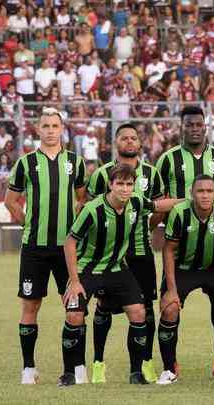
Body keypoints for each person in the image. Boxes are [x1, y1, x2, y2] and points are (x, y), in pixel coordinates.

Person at [58, 163, 180, 387]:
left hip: (117, 268)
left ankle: (135, 373)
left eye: (129, 184)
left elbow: (157, 204)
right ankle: (68, 373)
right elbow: (70, 242)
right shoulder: (92, 209)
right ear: (110, 185)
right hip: (88, 269)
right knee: (74, 316)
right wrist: (74, 281)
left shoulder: (135, 202)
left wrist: (187, 201)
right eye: (120, 184)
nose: (125, 189)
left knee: (138, 312)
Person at [4, 108, 87, 385]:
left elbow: (82, 200)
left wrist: (75, 229)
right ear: (37, 130)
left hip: (67, 249)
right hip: (35, 249)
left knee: (75, 308)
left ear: (62, 129)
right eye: (46, 126)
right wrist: (28, 224)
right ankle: (28, 368)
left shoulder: (76, 162)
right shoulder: (25, 163)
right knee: (31, 304)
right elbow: (11, 201)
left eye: (55, 125)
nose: (51, 130)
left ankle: (75, 368)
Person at [85, 123, 165, 383]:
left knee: (146, 310)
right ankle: (98, 363)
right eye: (124, 138)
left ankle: (144, 363)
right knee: (103, 307)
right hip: (108, 256)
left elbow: (159, 207)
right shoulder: (101, 174)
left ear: (140, 143)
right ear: (115, 142)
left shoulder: (152, 174)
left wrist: (140, 225)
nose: (129, 142)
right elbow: (90, 209)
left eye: (133, 138)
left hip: (140, 253)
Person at [156, 106, 214, 378]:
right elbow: (156, 202)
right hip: (179, 252)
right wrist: (186, 203)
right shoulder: (168, 160)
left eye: (199, 124)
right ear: (181, 127)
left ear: (205, 126)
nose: (195, 128)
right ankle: (170, 366)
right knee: (170, 307)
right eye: (189, 124)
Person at [157, 175, 214, 385]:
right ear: (191, 194)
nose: (205, 195)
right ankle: (169, 369)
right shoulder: (179, 212)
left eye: (209, 191)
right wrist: (171, 289)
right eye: (200, 191)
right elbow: (168, 251)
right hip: (184, 269)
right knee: (169, 308)